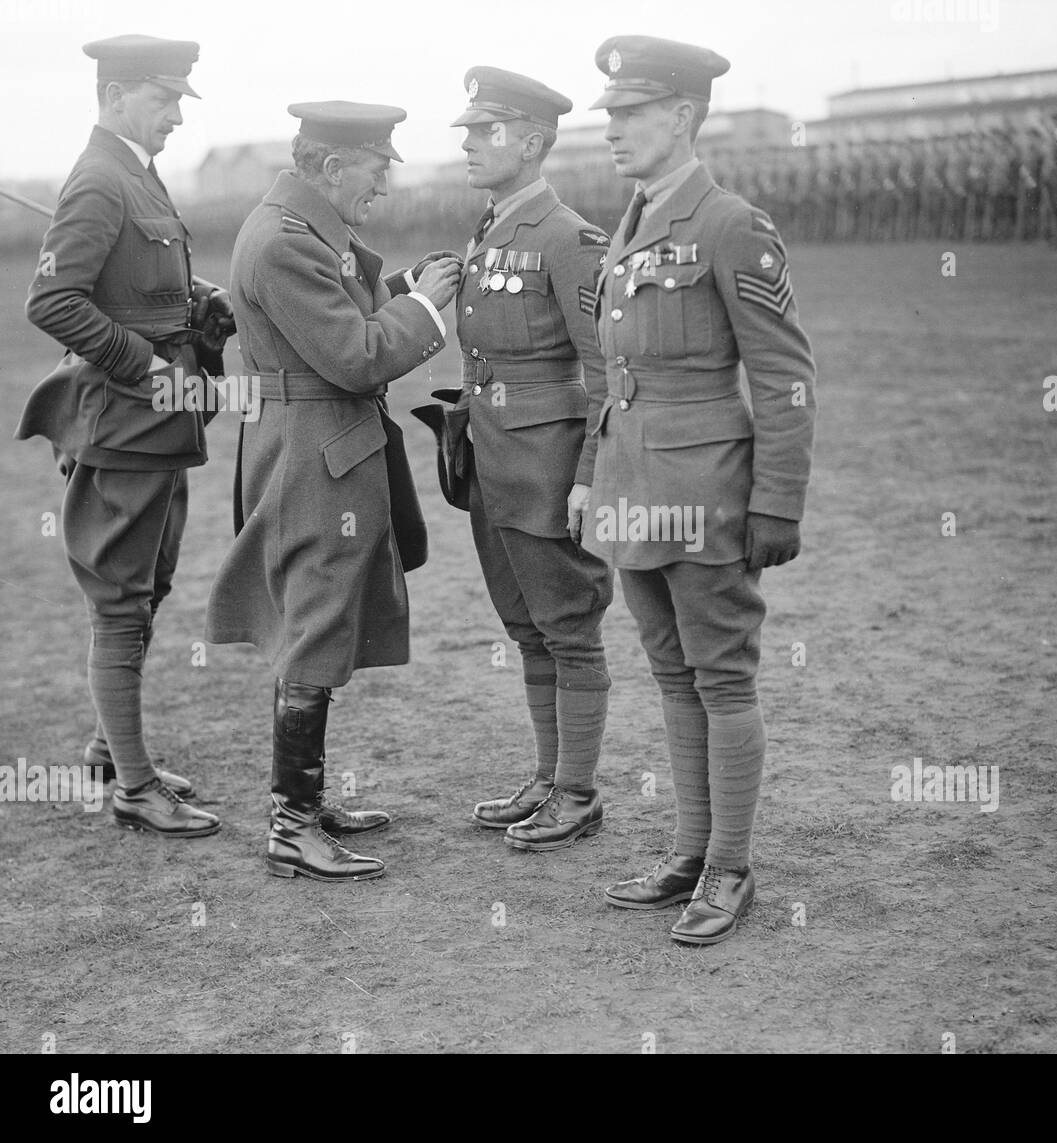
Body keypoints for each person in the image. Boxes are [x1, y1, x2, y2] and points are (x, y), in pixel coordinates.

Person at [572, 35, 816, 946]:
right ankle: (689, 850)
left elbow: (785, 376)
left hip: (706, 487)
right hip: (636, 484)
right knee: (672, 674)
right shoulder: (632, 223)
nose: (612, 131)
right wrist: (595, 479)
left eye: (630, 114)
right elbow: (611, 377)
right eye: (609, 115)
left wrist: (778, 501)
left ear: (681, 116)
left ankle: (731, 866)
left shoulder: (730, 225)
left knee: (721, 675)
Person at [205, 102, 461, 880]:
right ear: (330, 167)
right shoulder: (285, 239)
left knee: (320, 617)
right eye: (377, 166)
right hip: (313, 452)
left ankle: (306, 803)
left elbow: (342, 317)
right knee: (315, 623)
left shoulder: (308, 227)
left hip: (326, 445)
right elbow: (353, 357)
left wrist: (405, 286)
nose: (384, 182)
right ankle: (290, 824)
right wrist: (425, 308)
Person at [17, 34, 234, 837]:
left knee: (151, 585)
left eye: (180, 100)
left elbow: (135, 280)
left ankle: (116, 750)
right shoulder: (101, 180)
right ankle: (135, 789)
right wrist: (144, 362)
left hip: (161, 423)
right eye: (165, 98)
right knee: (121, 602)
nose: (177, 115)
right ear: (115, 97)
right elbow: (55, 302)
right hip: (127, 423)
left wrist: (200, 296)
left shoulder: (134, 173)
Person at [398, 67, 614, 850]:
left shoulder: (569, 237)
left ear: (531, 141)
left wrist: (590, 475)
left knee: (569, 625)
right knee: (526, 626)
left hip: (552, 463)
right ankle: (551, 775)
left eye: (485, 130)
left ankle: (580, 790)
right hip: (494, 455)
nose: (466, 141)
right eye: (466, 128)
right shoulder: (488, 230)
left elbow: (608, 376)